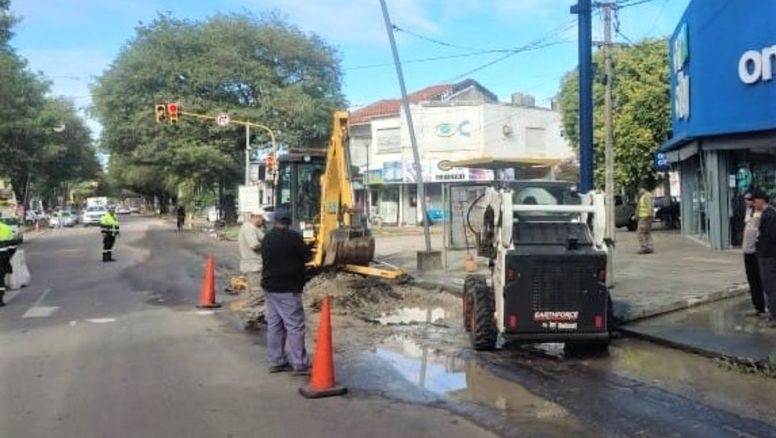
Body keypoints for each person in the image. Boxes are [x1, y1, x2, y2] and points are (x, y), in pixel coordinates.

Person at [260, 207, 311, 374]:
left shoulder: (267, 238)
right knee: (294, 325)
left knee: (275, 325)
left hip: (270, 287)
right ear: (289, 221)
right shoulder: (294, 238)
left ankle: (277, 360)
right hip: (288, 288)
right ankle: (299, 363)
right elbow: (307, 256)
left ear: (275, 220)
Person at [238, 209, 267, 329]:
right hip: (253, 266)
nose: (263, 221)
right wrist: (268, 246)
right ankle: (248, 313)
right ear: (256, 216)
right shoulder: (249, 228)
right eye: (262, 219)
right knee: (258, 294)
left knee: (253, 293)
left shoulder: (254, 228)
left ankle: (255, 317)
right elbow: (254, 245)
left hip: (253, 265)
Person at [753, 190, 776, 327]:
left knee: (770, 287)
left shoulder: (770, 215)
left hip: (769, 256)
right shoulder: (767, 214)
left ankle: (774, 316)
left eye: (755, 201)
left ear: (762, 200)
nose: (754, 204)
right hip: (766, 254)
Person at [742, 192, 766, 316]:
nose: (748, 202)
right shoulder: (749, 212)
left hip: (757, 252)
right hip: (748, 251)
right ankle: (758, 306)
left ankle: (764, 306)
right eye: (746, 200)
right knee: (752, 279)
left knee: (761, 279)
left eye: (750, 200)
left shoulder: (763, 214)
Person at [0, 219, 16, 307]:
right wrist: (8, 256)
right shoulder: (6, 228)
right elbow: (13, 245)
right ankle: (0, 300)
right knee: (0, 278)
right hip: (3, 256)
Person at [636, 186, 654, 254]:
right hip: (645, 217)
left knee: (640, 232)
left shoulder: (646, 196)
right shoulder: (645, 196)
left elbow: (649, 206)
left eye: (640, 189)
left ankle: (644, 247)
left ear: (644, 189)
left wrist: (649, 216)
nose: (639, 191)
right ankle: (649, 247)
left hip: (645, 217)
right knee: (647, 232)